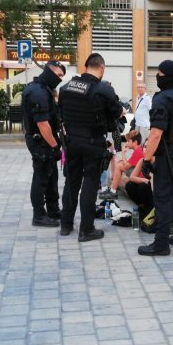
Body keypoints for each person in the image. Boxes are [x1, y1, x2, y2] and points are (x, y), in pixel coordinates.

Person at [59, 52, 124, 242]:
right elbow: (117, 112)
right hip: (92, 143)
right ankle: (86, 230)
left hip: (71, 142)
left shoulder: (66, 88)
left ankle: (66, 224)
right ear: (101, 68)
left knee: (71, 182)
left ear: (86, 66)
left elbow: (61, 113)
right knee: (89, 184)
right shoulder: (102, 89)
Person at [138, 60, 173, 256]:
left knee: (163, 197)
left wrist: (146, 159)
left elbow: (156, 134)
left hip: (167, 153)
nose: (158, 77)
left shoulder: (162, 98)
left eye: (160, 74)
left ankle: (161, 243)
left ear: (168, 76)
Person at [21, 60, 65, 227]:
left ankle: (53, 210)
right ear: (50, 72)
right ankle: (39, 215)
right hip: (41, 142)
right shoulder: (38, 92)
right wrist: (55, 147)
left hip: (45, 140)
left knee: (51, 174)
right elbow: (43, 124)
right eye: (59, 75)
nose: (60, 79)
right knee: (41, 177)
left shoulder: (43, 89)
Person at [99, 129, 143, 199]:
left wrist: (123, 152)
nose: (127, 143)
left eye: (128, 141)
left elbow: (126, 166)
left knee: (119, 165)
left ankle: (113, 192)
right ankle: (113, 188)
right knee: (120, 163)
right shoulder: (139, 149)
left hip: (140, 176)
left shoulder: (138, 151)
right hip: (138, 173)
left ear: (135, 142)